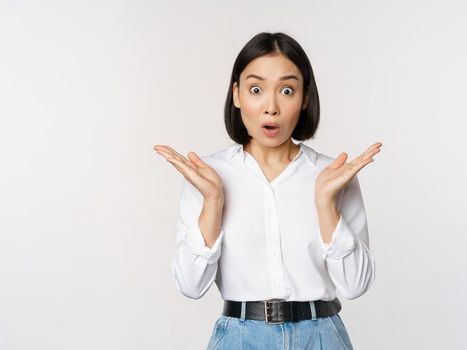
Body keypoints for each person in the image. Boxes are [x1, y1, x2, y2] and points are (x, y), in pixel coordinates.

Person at [153, 32, 381, 350]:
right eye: (256, 89)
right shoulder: (207, 177)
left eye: (287, 90)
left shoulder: (333, 177)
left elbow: (355, 285)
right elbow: (191, 286)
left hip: (321, 337)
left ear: (304, 98)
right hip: (239, 338)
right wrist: (214, 201)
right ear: (236, 94)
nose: (270, 107)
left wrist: (326, 204)